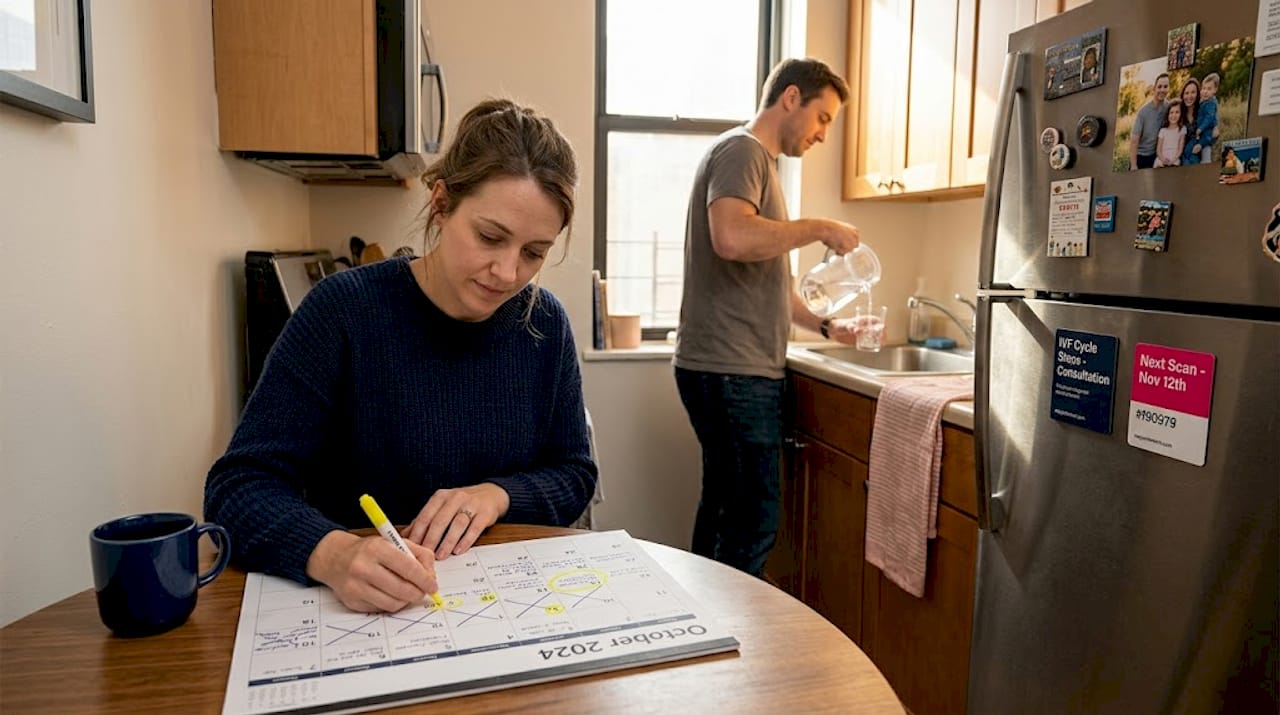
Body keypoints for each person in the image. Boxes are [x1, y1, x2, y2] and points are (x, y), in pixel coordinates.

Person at [205, 99, 598, 614]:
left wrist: (497, 495)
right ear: (440, 203)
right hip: (362, 618)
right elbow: (237, 487)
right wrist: (333, 554)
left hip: (500, 611)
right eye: (489, 237)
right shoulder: (343, 311)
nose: (507, 272)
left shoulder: (544, 323)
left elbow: (573, 473)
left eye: (534, 252)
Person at [673, 57, 862, 577]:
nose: (824, 135)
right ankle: (729, 639)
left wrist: (826, 326)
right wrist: (820, 227)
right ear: (792, 98)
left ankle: (704, 631)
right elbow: (732, 238)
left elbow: (768, 281)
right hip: (731, 370)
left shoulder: (758, 164)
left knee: (725, 513)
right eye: (824, 118)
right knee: (752, 520)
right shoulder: (743, 151)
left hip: (730, 367)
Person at [1129, 73, 1170, 170]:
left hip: (1156, 155)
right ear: (1154, 89)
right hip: (1140, 155)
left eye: (1165, 87)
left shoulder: (1168, 107)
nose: (1162, 90)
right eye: (1159, 87)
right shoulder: (1143, 112)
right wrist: (1134, 165)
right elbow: (1134, 141)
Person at [1192, 72, 1220, 163]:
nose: (1205, 91)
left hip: (1207, 132)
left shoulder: (1210, 103)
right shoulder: (1204, 101)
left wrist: (1200, 128)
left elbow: (1209, 117)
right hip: (1202, 133)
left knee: (1206, 153)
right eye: (1203, 88)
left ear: (1215, 90)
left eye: (1209, 89)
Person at [1154, 102, 1185, 168]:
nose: (1174, 115)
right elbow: (1158, 149)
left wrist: (1173, 160)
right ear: (1167, 114)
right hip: (1162, 158)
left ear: (1181, 114)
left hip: (1174, 158)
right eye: (1171, 112)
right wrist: (1162, 159)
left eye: (1177, 112)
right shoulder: (1163, 131)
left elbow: (1180, 149)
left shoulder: (1182, 129)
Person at [1178, 78, 1201, 165]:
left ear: (1197, 94)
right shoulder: (1179, 113)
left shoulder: (1201, 111)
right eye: (1186, 93)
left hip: (1197, 150)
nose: (1189, 96)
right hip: (1182, 153)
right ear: (1183, 95)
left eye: (1193, 92)